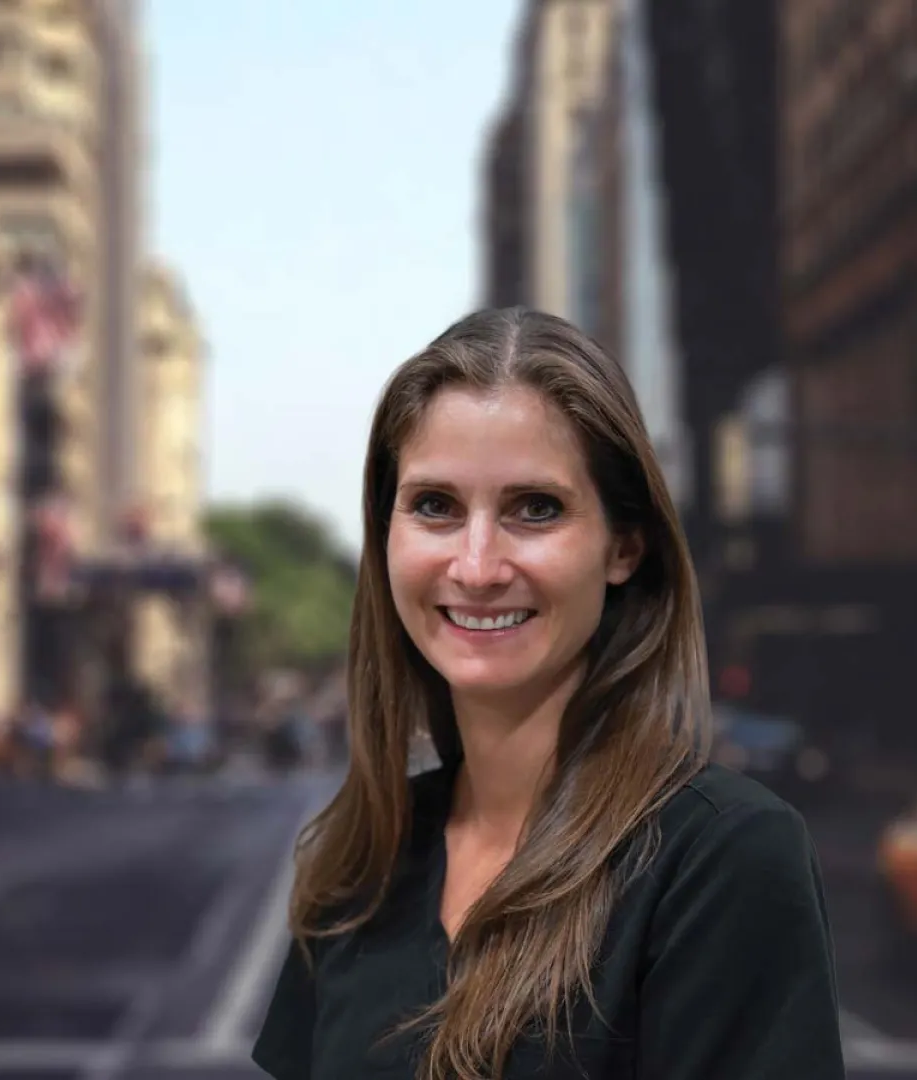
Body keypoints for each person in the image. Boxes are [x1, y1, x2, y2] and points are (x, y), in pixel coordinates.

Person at [252, 308, 844, 1080]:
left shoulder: (724, 858)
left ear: (624, 547)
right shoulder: (356, 866)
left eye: (536, 509)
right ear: (386, 534)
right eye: (435, 506)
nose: (477, 564)